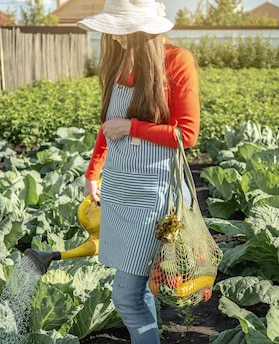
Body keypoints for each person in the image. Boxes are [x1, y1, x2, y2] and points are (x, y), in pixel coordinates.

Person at [77, 1, 201, 343]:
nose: (114, 38)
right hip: (120, 190)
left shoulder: (177, 60)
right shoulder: (121, 60)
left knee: (125, 296)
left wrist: (132, 127)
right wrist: (93, 172)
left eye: (121, 30)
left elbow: (186, 135)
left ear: (144, 28)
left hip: (153, 195)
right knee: (138, 289)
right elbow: (107, 125)